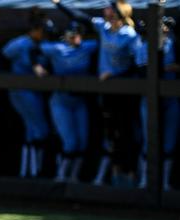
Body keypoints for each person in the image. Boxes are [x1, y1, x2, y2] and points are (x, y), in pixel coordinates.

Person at [52, 0, 141, 186]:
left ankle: (129, 174)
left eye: (109, 7)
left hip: (123, 92)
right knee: (107, 134)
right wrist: (59, 3)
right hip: (105, 92)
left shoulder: (130, 35)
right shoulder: (104, 28)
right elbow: (80, 17)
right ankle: (106, 177)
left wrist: (116, 74)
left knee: (124, 133)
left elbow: (139, 64)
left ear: (117, 13)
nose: (105, 10)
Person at [37, 22, 97, 182]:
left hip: (79, 101)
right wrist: (38, 65)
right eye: (72, 34)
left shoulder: (87, 47)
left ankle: (74, 177)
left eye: (78, 34)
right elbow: (35, 49)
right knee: (70, 142)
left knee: (82, 142)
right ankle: (61, 176)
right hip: (61, 100)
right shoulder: (56, 48)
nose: (75, 37)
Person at [1, 9, 51, 178]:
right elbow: (2, 57)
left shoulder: (44, 45)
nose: (43, 34)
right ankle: (35, 171)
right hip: (20, 91)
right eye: (41, 30)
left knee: (32, 131)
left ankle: (29, 171)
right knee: (40, 130)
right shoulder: (20, 43)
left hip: (35, 91)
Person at [136, 17, 178, 190]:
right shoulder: (143, 45)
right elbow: (140, 68)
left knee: (169, 143)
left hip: (171, 98)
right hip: (149, 97)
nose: (165, 30)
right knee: (149, 140)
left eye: (166, 27)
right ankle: (145, 181)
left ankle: (166, 183)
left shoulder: (173, 44)